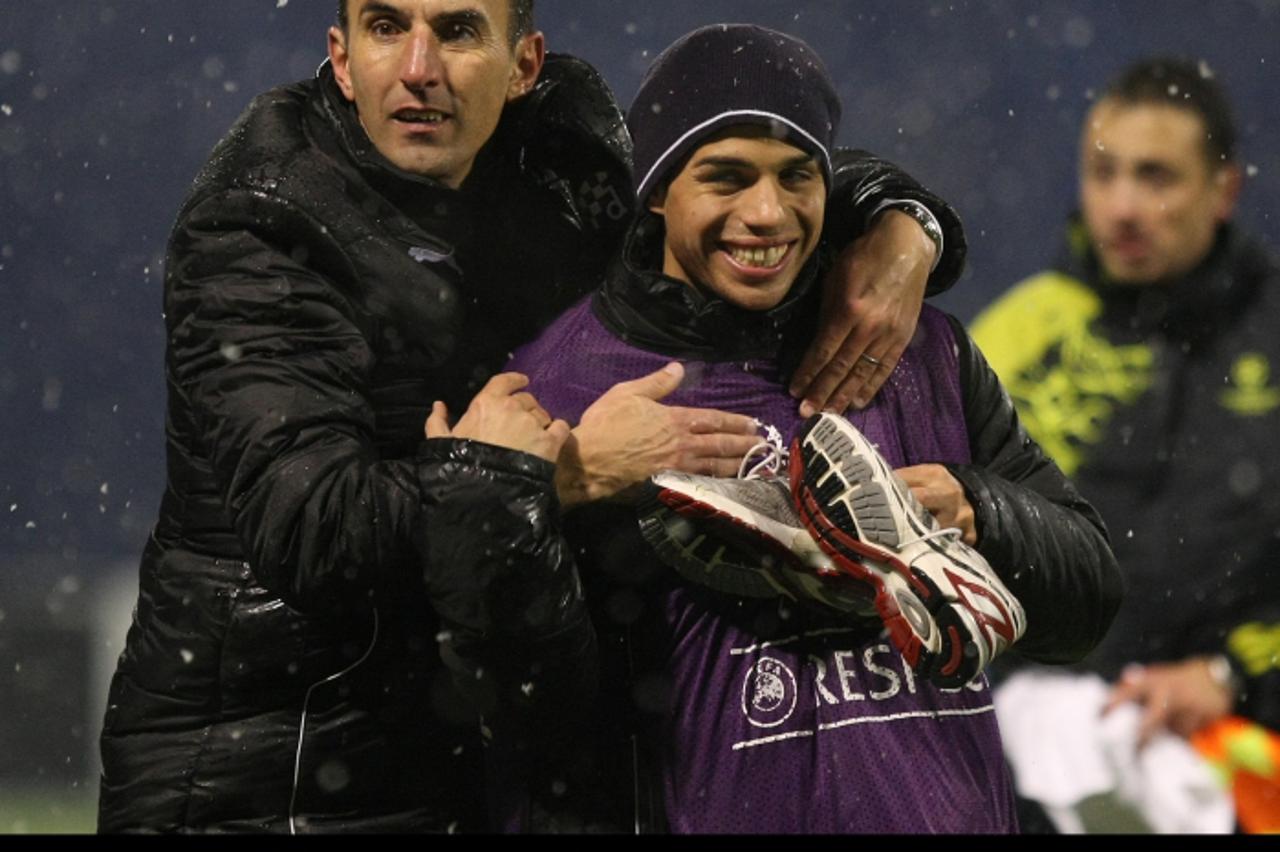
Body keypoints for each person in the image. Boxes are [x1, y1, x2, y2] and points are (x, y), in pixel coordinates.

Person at [95, 0, 973, 835]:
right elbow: (313, 532)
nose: (417, 69)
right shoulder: (259, 227)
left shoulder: (560, 151)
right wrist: (556, 472)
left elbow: (720, 173)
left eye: (459, 31)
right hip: (271, 759)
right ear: (341, 58)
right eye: (386, 27)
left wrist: (899, 222)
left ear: (525, 65)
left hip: (460, 743)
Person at [504, 23, 1121, 833]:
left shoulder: (916, 348)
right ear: (656, 190)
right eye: (725, 178)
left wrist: (981, 514)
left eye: (797, 177)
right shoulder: (558, 382)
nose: (766, 214)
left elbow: (1090, 601)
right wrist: (566, 489)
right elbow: (514, 691)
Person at [971, 56, 1280, 833]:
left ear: (1224, 190)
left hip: (1240, 754)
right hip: (1023, 761)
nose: (1122, 207)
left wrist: (1231, 673)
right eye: (1102, 173)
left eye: (1156, 177)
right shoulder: (1016, 334)